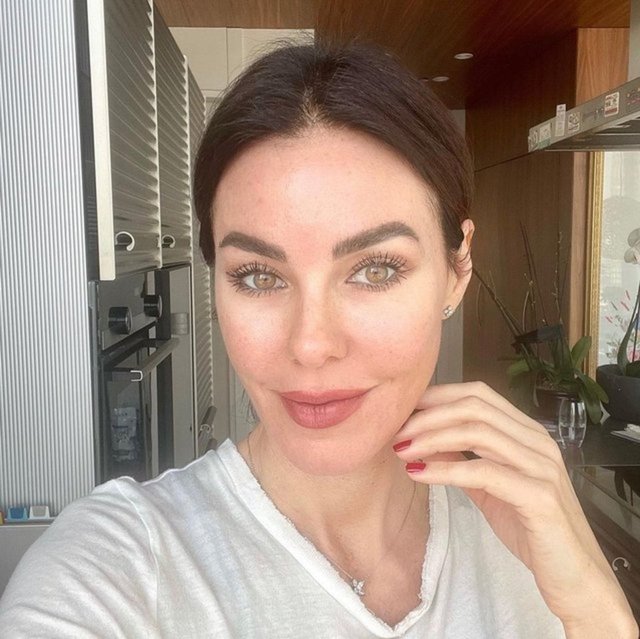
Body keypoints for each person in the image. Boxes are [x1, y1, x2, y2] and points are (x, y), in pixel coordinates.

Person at [0, 40, 636, 639]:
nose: (310, 345)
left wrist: (597, 606)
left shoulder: (529, 538)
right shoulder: (118, 569)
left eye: (375, 270)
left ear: (457, 267)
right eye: (259, 276)